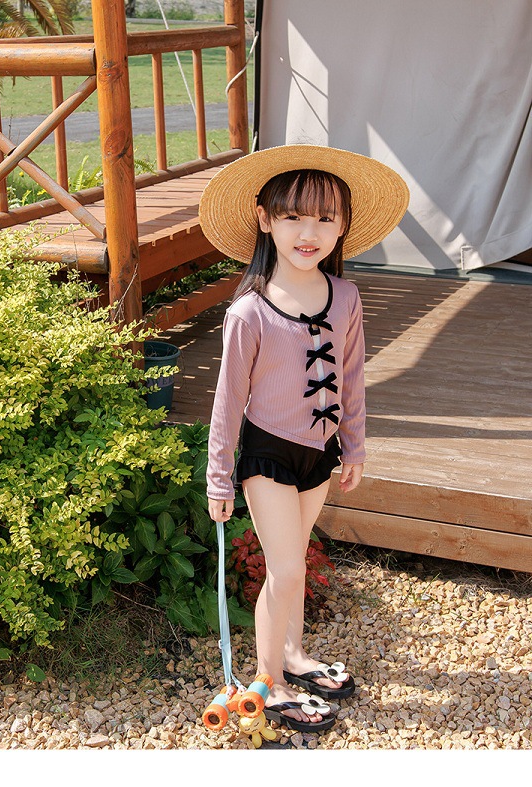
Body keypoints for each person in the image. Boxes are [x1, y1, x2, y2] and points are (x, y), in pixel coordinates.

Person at [198, 145, 409, 732]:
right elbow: (226, 401)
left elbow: (354, 374)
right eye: (292, 217)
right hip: (267, 454)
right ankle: (270, 685)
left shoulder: (345, 297)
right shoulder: (250, 312)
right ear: (265, 219)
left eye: (324, 218)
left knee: (296, 556)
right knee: (287, 570)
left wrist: (355, 444)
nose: (308, 232)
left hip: (321, 452)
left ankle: (291, 653)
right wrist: (219, 478)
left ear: (342, 226)